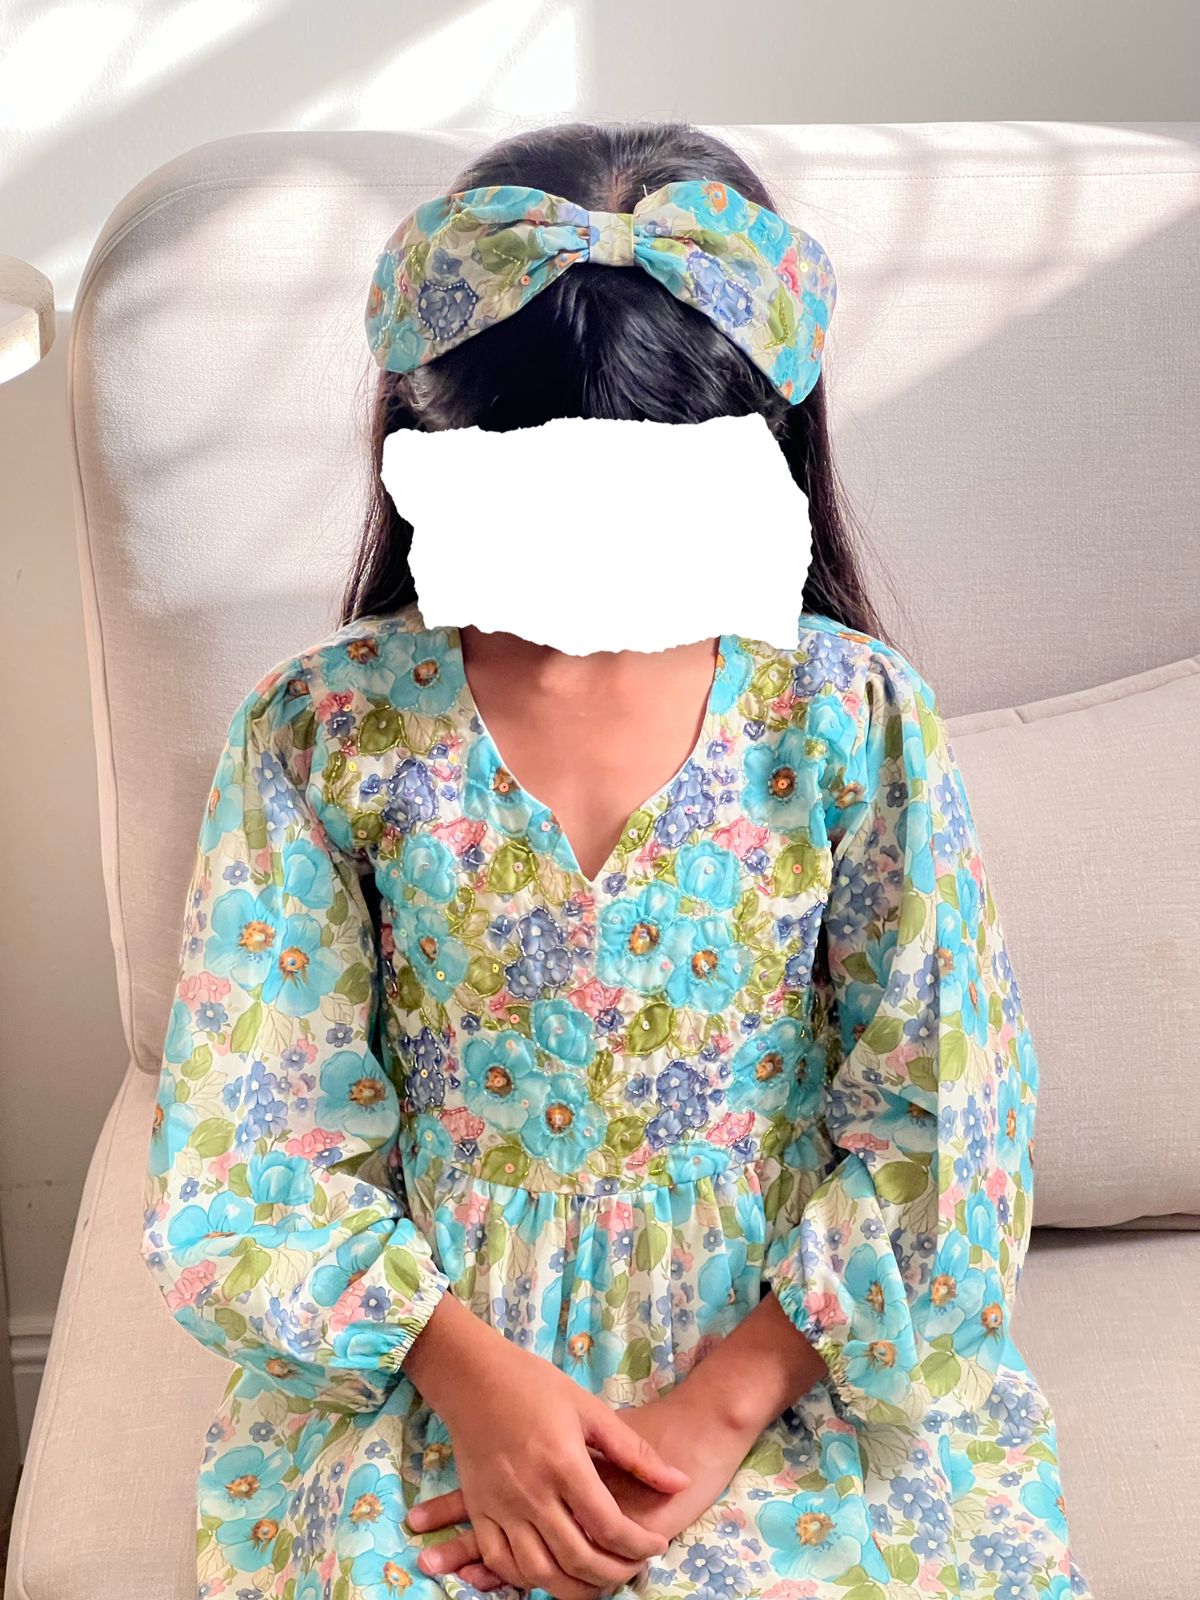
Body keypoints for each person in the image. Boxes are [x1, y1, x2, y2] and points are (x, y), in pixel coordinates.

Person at [141, 120, 1094, 1600]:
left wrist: (716, 1412)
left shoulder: (847, 719)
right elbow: (252, 1131)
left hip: (783, 1372)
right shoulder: (323, 734)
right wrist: (472, 1385)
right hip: (438, 1378)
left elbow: (945, 1112)